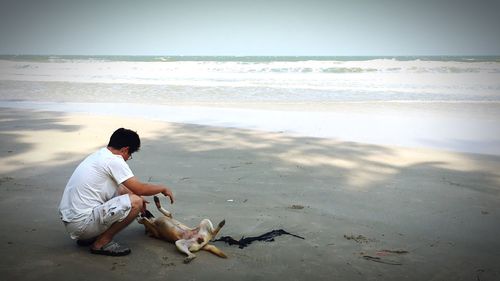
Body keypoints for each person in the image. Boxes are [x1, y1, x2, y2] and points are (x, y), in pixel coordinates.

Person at [58, 128, 174, 256]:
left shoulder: (100, 155)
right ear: (125, 149)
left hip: (72, 220)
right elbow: (140, 188)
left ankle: (89, 236)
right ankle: (102, 243)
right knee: (136, 203)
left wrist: (134, 195)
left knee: (128, 194)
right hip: (82, 224)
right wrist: (162, 188)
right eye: (130, 154)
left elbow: (122, 188)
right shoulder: (114, 161)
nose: (128, 158)